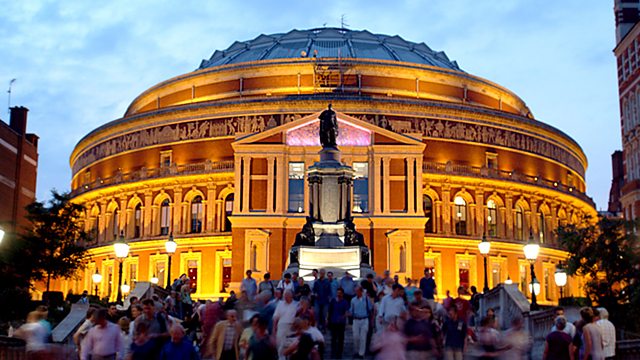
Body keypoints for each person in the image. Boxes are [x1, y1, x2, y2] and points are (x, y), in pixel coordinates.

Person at [273, 290, 299, 359]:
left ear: (291, 296)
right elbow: (276, 317)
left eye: (287, 296)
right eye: (285, 296)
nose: (286, 297)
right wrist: (274, 328)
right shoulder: (280, 304)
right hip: (281, 326)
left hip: (292, 327)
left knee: (290, 345)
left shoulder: (296, 304)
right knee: (280, 345)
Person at [349, 286, 372, 359]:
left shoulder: (366, 299)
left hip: (364, 319)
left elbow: (370, 308)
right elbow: (351, 310)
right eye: (356, 291)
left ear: (361, 291)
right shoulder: (353, 300)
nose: (356, 292)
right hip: (356, 319)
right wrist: (349, 313)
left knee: (363, 337)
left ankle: (361, 353)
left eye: (358, 291)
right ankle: (356, 351)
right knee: (356, 336)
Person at [328, 288, 349, 358]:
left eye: (340, 293)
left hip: (341, 323)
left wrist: (343, 317)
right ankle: (333, 352)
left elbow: (346, 312)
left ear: (342, 294)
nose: (338, 294)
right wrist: (328, 320)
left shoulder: (345, 302)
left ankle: (339, 353)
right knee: (333, 338)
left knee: (340, 339)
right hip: (333, 322)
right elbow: (330, 311)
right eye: (337, 292)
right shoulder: (333, 301)